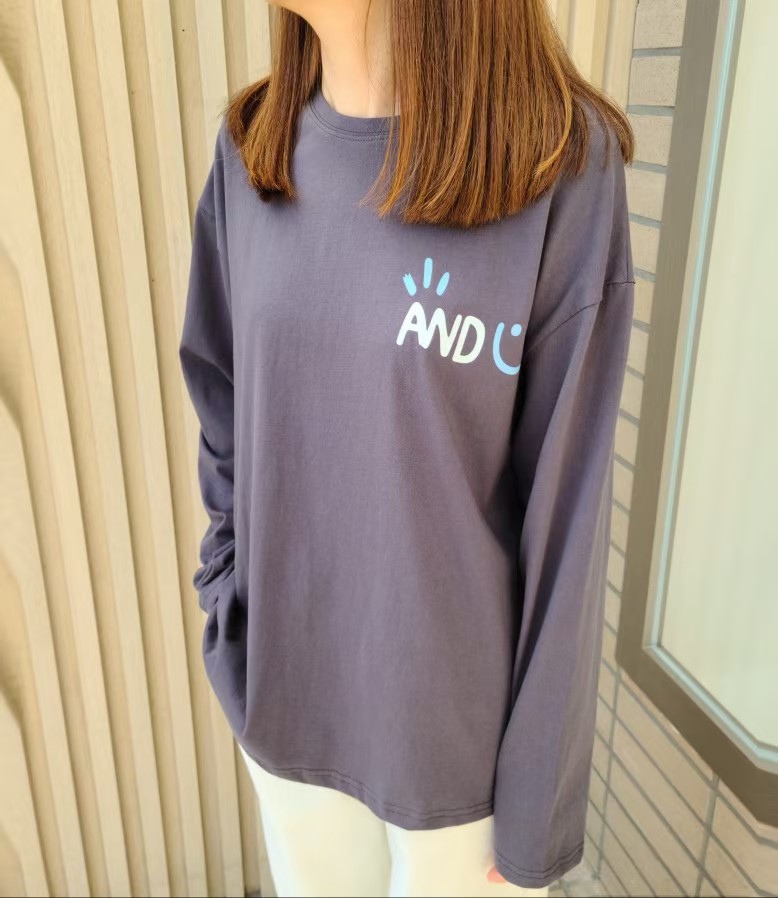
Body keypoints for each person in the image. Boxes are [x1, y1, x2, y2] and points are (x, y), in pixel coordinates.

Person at [178, 0, 635, 895]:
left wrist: (536, 810)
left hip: (459, 779)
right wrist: (229, 603)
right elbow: (222, 400)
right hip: (286, 719)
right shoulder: (249, 152)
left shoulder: (558, 164)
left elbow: (568, 514)